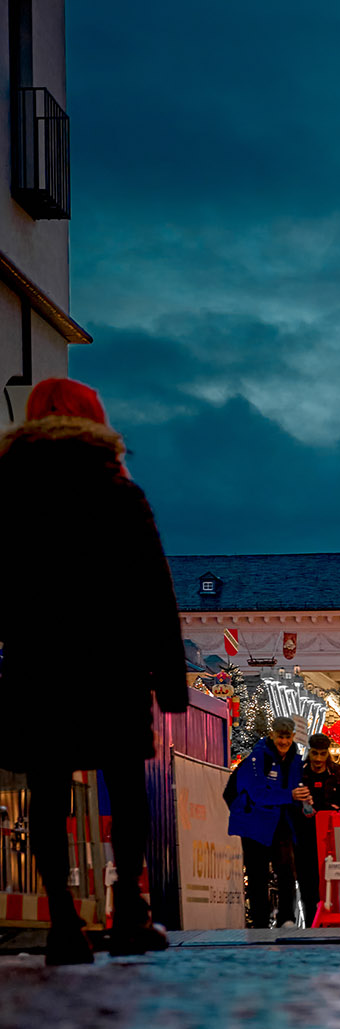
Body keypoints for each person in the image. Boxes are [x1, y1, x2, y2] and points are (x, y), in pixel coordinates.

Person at [0, 379, 188, 963]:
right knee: (127, 788)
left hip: (37, 662)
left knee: (47, 793)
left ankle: (63, 920)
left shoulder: (7, 489)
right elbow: (154, 589)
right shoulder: (117, 490)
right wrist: (171, 681)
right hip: (114, 663)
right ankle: (130, 911)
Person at [227, 716, 307, 927]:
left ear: (293, 736)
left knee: (287, 872)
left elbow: (295, 791)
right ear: (272, 735)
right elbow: (258, 793)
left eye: (287, 737)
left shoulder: (294, 761)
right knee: (257, 875)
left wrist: (305, 803)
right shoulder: (257, 760)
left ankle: (287, 918)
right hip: (255, 826)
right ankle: (260, 923)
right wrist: (290, 796)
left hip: (280, 824)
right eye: (280, 736)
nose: (284, 741)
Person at [294, 731, 340, 927]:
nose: (318, 759)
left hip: (334, 839)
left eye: (322, 754)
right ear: (310, 752)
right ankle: (312, 923)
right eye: (315, 753)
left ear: (327, 753)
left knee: (334, 880)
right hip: (305, 838)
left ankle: (336, 922)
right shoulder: (299, 773)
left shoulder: (338, 775)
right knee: (308, 884)